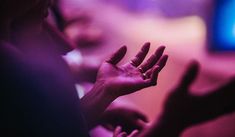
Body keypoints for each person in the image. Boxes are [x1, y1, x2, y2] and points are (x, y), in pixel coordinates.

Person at [0, 0, 168, 136]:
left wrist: (102, 92)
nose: (67, 45)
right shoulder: (11, 66)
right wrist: (169, 124)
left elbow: (49, 128)